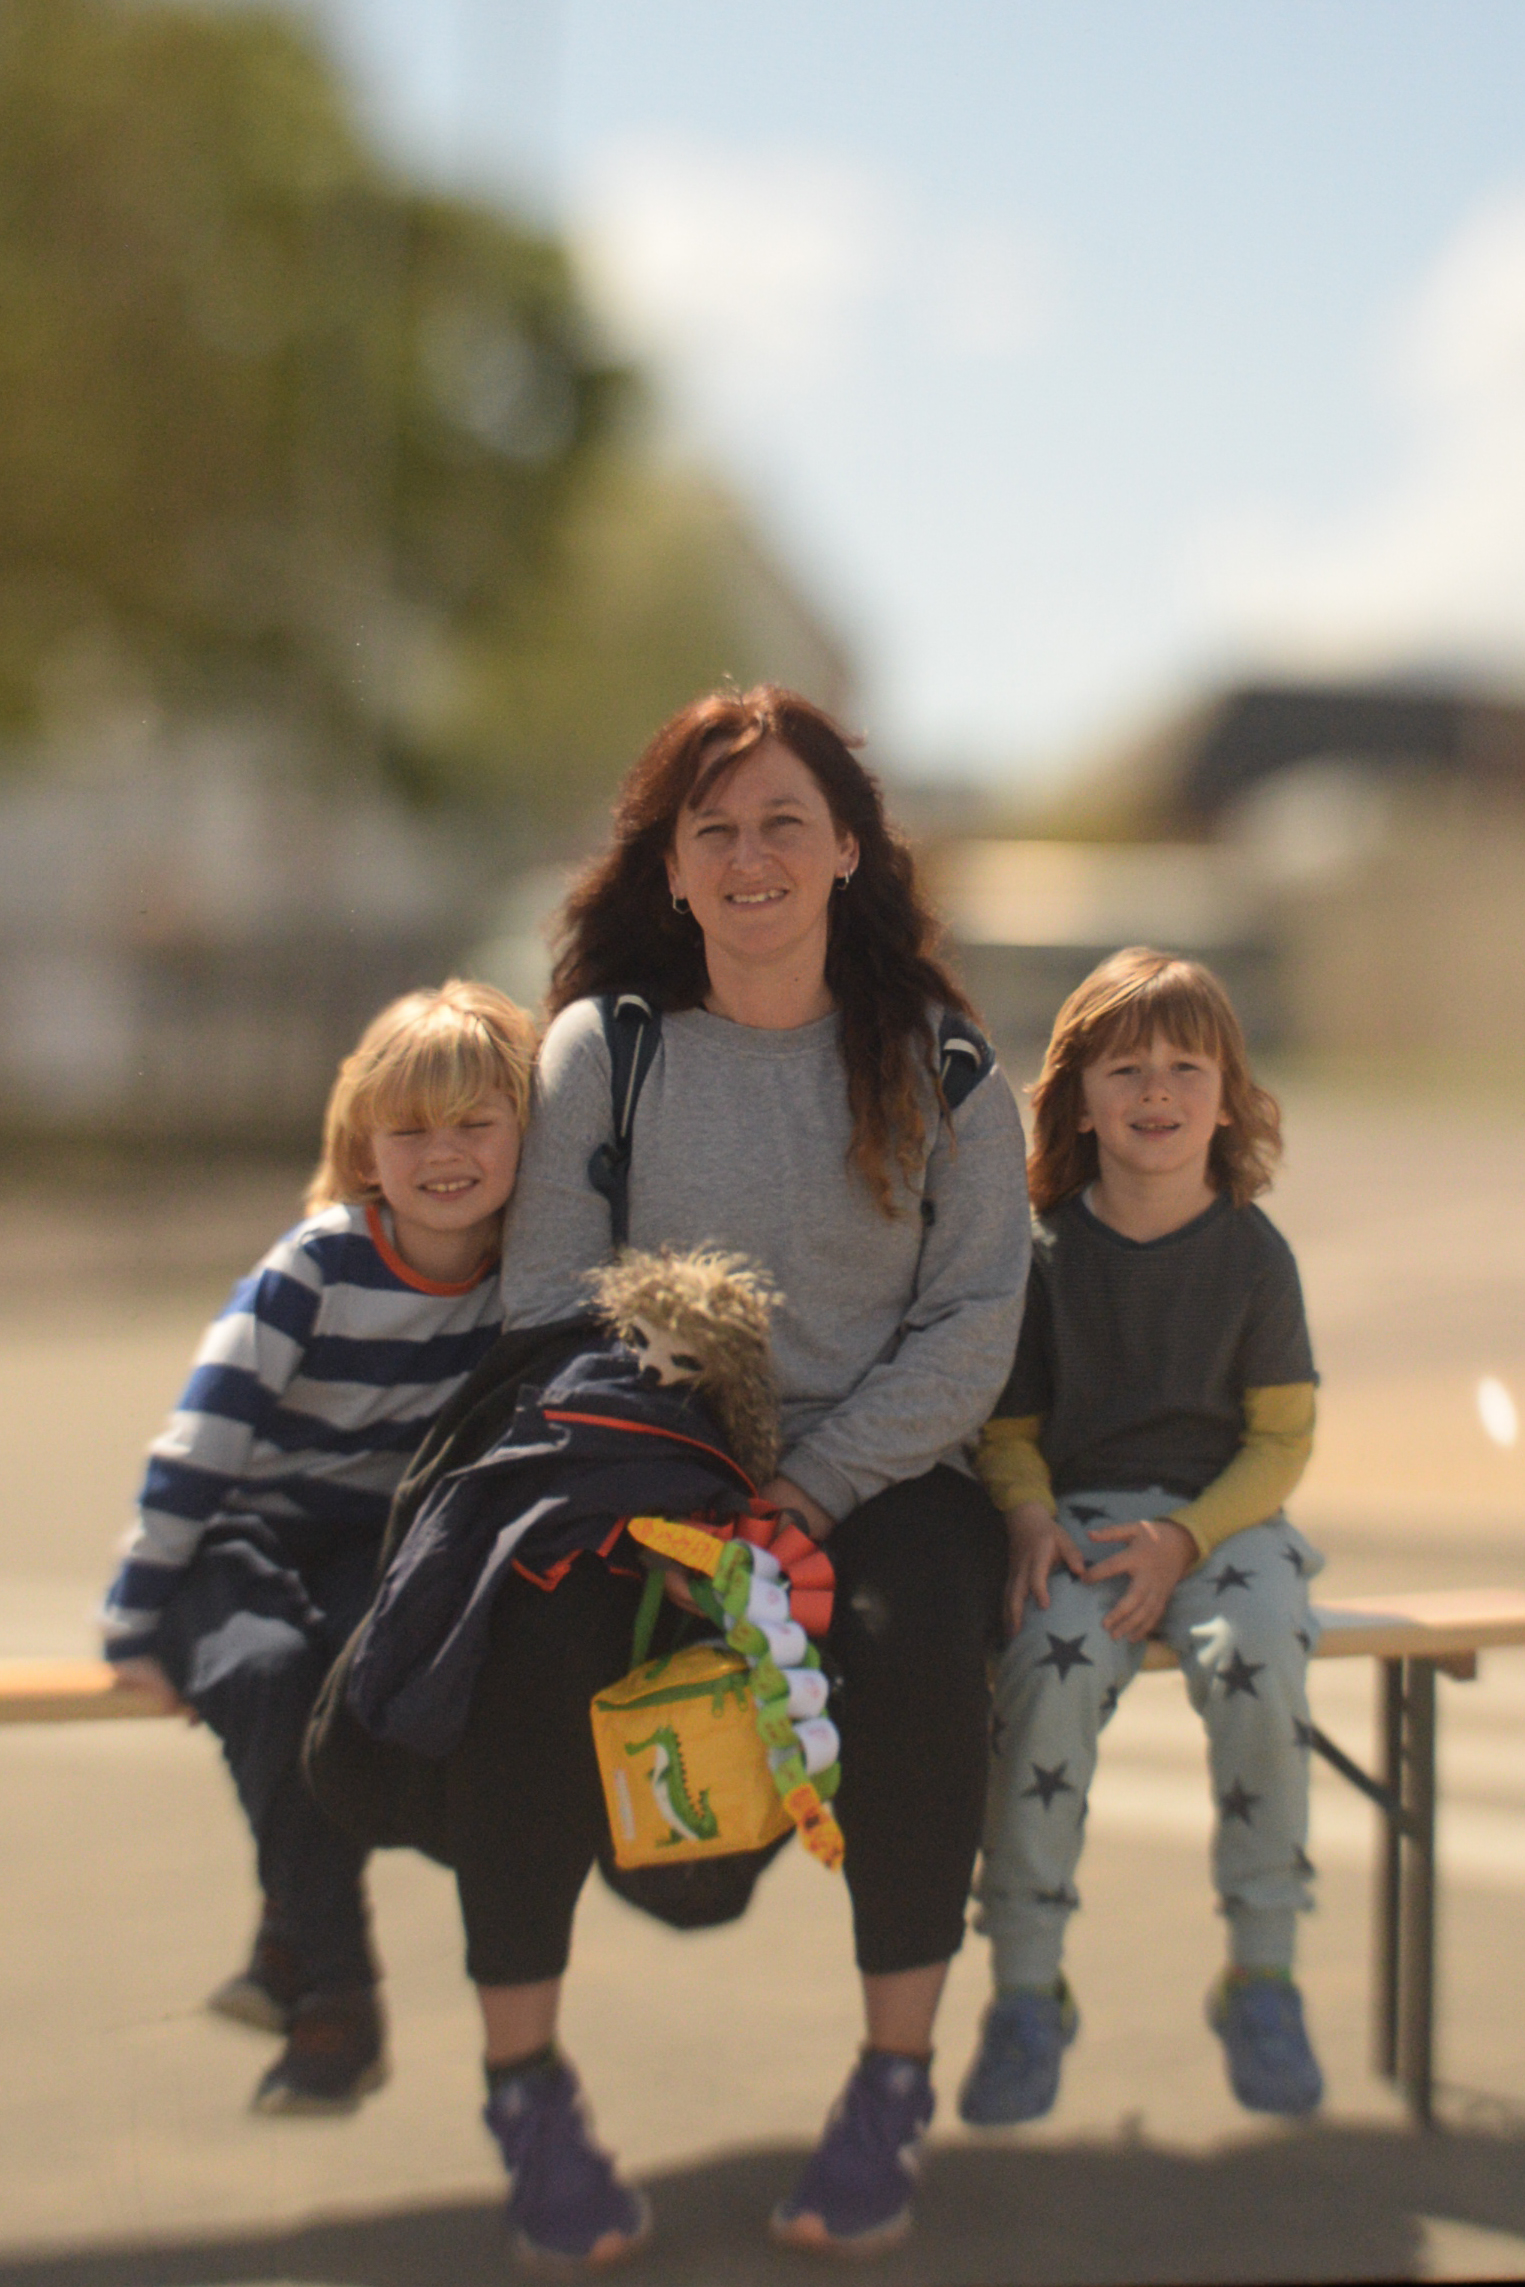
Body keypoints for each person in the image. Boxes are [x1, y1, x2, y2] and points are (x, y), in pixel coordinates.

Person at [442, 685, 1028, 2265]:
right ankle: (526, 2092)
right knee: (529, 1645)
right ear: (673, 868)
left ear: (847, 850)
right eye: (715, 828)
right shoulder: (605, 1049)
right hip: (648, 1463)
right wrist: (695, 1504)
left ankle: (890, 2083)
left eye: (784, 821)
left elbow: (974, 1324)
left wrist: (812, 1491)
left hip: (879, 1474)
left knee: (919, 1645)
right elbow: (549, 1300)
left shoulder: (948, 1069)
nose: (750, 854)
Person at [100, 980, 535, 2113]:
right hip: (236, 1536)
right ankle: (338, 1991)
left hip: (371, 1543)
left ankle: (285, 1937)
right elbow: (199, 1445)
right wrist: (138, 1615)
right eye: (411, 1130)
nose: (444, 1154)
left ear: (526, 1132)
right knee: (265, 1674)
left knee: (365, 1694)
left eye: (475, 1122)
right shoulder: (318, 1267)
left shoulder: (527, 1275)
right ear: (363, 1144)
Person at [959, 946, 1325, 2132]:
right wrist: (1026, 1516)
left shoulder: (1254, 1255)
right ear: (1076, 1099)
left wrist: (1183, 1536)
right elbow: (1007, 1435)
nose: (1155, 1088)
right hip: (1073, 1524)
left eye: (1184, 1066)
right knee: (1045, 1665)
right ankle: (1026, 1987)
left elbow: (1281, 1442)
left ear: (1227, 1098)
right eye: (1124, 1068)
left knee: (1261, 1650)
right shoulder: (1038, 1255)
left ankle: (1261, 1971)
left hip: (1224, 1521)